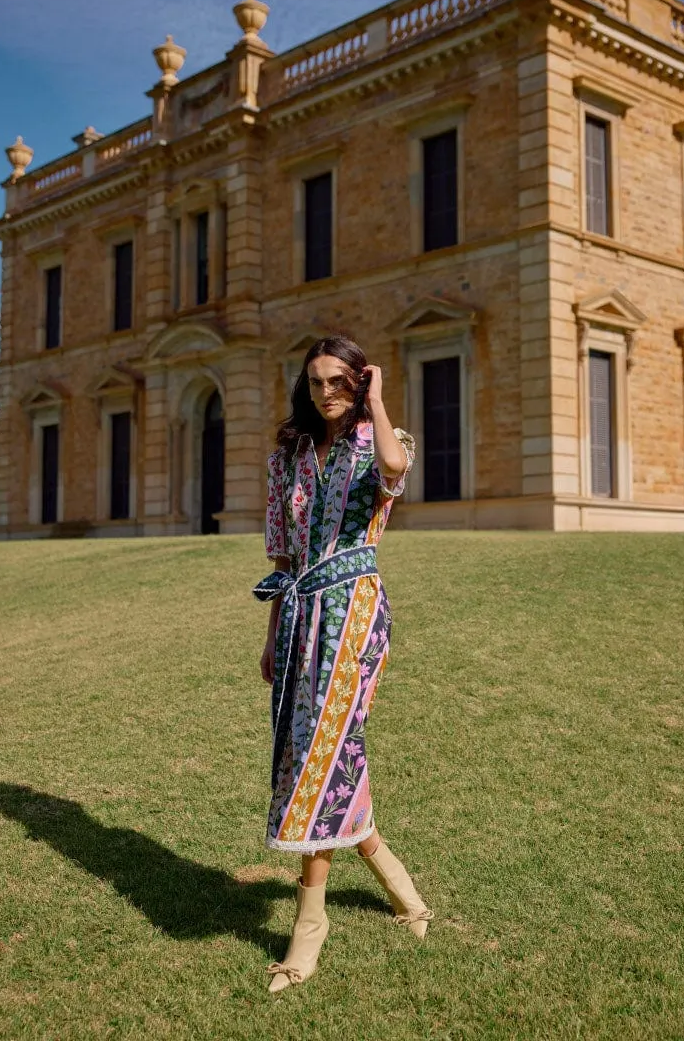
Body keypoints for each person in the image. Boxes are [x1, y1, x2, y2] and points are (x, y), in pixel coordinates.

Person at [253, 335, 432, 992]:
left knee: (323, 754)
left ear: (358, 381)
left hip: (355, 616)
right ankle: (402, 890)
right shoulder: (290, 456)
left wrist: (378, 402)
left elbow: (393, 470)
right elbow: (282, 555)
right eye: (314, 382)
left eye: (337, 381)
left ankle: (309, 927)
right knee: (321, 754)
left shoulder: (383, 436)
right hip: (300, 614)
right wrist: (274, 635)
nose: (325, 393)